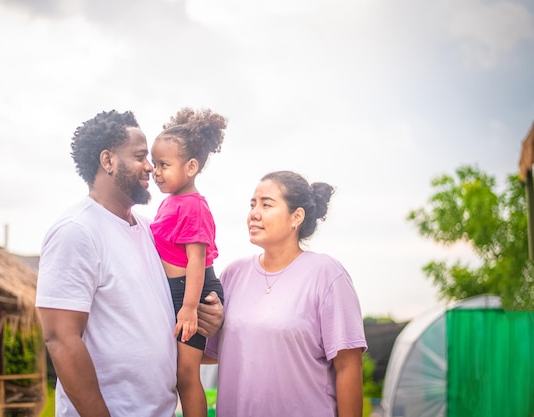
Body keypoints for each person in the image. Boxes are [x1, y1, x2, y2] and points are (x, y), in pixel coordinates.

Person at [35, 109, 224, 417]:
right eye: (140, 156)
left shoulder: (151, 231)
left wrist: (208, 318)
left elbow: (161, 324)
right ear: (108, 161)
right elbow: (60, 339)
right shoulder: (77, 231)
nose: (150, 167)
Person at [205, 170, 368, 417]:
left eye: (266, 204)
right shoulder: (233, 274)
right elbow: (209, 354)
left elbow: (349, 366)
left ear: (296, 217)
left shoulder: (327, 275)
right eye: (252, 204)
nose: (254, 214)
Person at [150, 107, 227, 417]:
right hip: (178, 292)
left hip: (193, 292)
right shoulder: (170, 203)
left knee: (186, 375)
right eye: (154, 164)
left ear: (191, 167)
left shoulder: (193, 206)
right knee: (175, 373)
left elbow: (196, 260)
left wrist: (190, 307)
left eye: (164, 165)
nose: (156, 171)